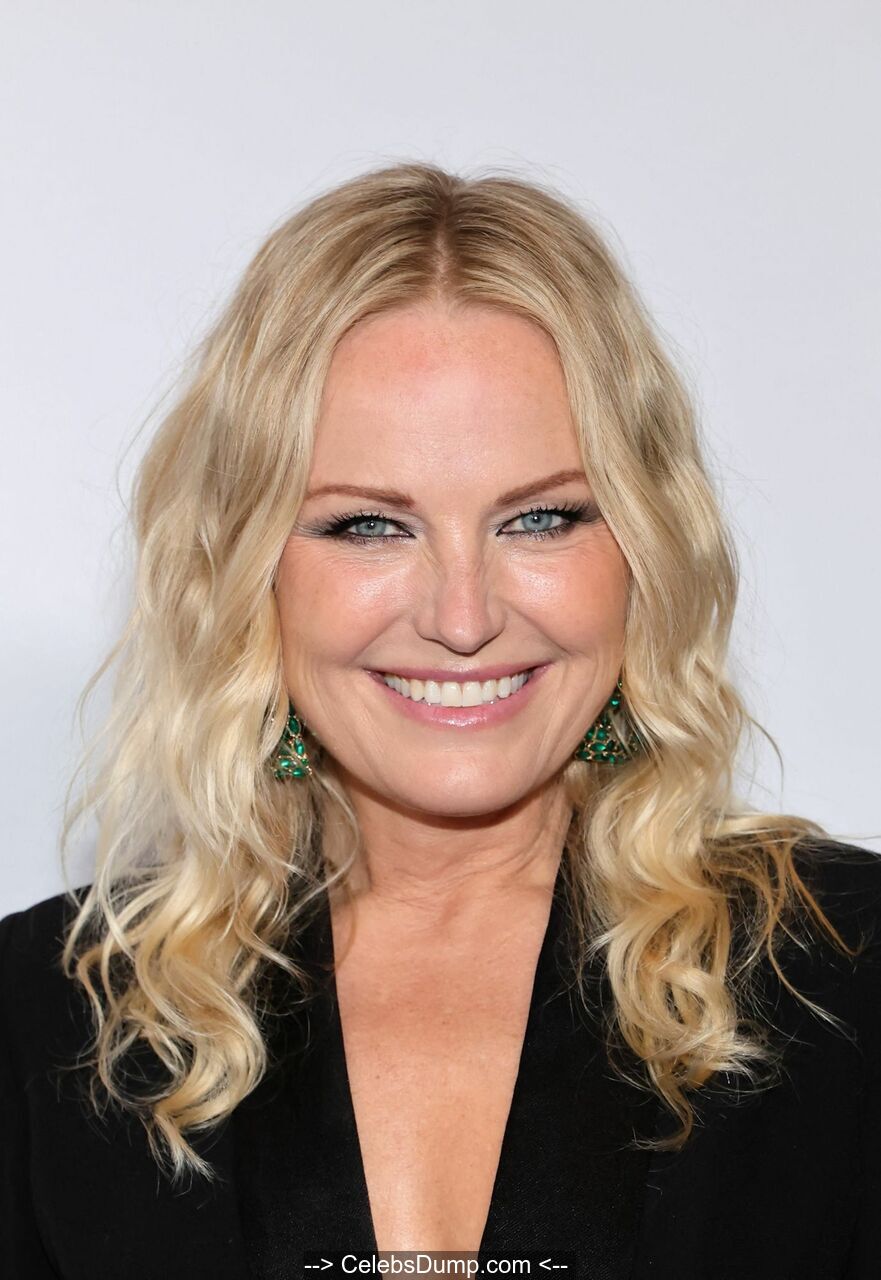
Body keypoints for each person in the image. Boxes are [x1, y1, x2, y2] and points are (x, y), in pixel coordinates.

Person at [1, 160, 879, 1280]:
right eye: (368, 526)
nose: (462, 618)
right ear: (243, 569)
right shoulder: (44, 1018)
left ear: (644, 552)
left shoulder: (846, 970)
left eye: (541, 517)